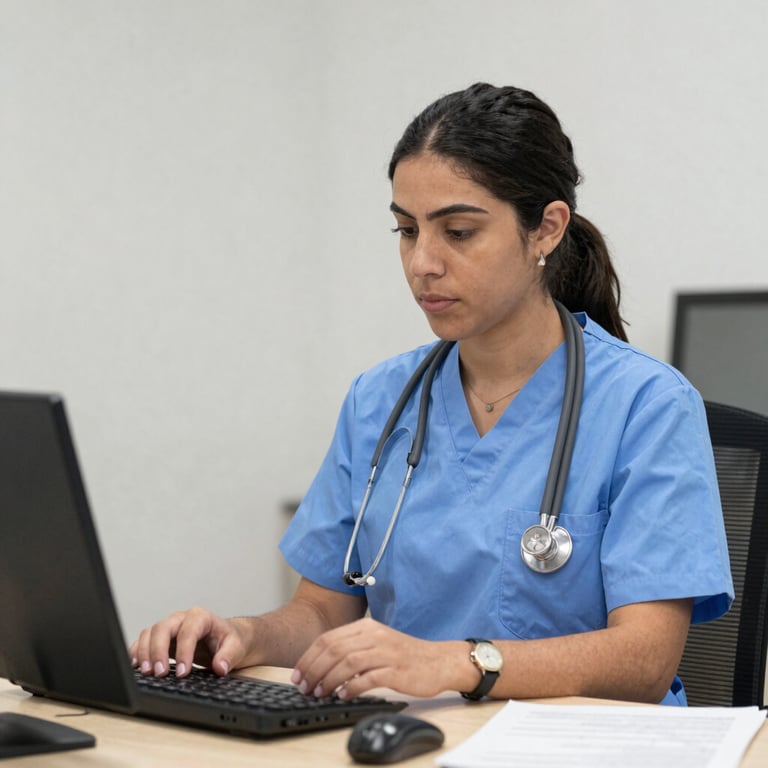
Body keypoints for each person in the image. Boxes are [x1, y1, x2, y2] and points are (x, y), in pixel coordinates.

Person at [130, 83, 733, 706]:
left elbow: (644, 660)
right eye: (406, 229)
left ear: (546, 230)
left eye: (459, 232)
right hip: (418, 734)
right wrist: (242, 636)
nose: (422, 262)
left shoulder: (647, 405)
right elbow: (323, 612)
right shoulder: (378, 400)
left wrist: (456, 663)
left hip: (585, 744)